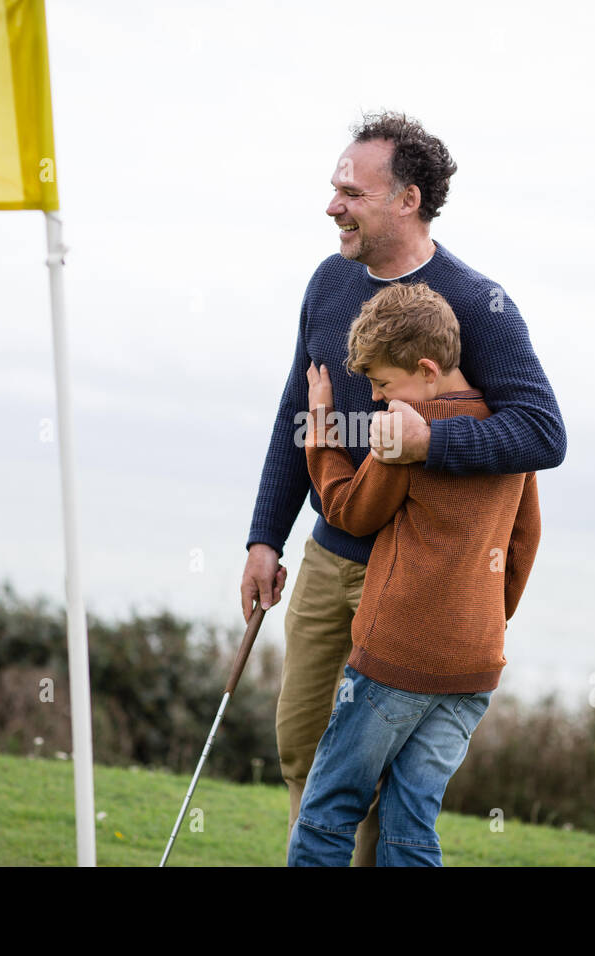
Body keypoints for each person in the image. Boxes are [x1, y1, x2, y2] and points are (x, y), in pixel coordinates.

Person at [241, 110, 566, 866]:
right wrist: (264, 537)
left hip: (416, 581)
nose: (332, 206)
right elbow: (300, 412)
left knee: (373, 787)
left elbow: (542, 432)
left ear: (407, 199)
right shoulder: (327, 284)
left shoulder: (477, 303)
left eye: (350, 192)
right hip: (328, 559)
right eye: (334, 189)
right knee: (302, 752)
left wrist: (431, 441)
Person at [288, 281, 541, 866]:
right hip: (474, 665)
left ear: (427, 370)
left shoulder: (408, 432)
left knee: (328, 810)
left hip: (396, 657)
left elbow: (351, 512)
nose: (377, 399)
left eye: (381, 384)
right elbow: (524, 539)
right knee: (411, 824)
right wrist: (483, 616)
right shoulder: (509, 433)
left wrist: (322, 432)